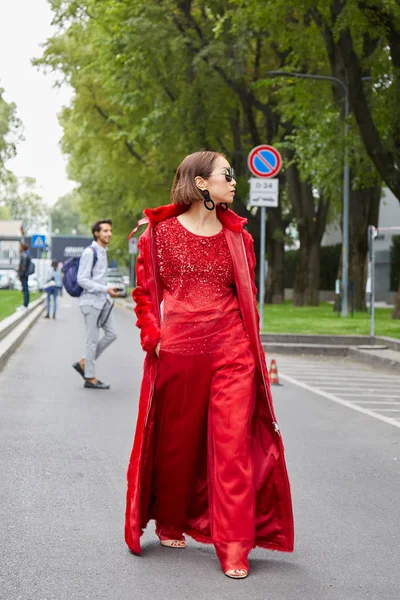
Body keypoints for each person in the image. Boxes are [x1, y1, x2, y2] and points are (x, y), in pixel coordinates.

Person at [125, 151, 294, 579]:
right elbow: (144, 293)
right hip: (178, 351)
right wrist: (154, 338)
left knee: (232, 445)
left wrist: (252, 351)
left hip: (231, 351)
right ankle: (171, 520)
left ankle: (234, 545)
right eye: (227, 176)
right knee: (176, 445)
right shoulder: (157, 234)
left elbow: (246, 298)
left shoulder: (239, 238)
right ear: (201, 184)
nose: (233, 183)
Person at [72, 220, 120, 390]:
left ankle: (84, 362)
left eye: (110, 230)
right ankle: (90, 378)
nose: (109, 234)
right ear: (96, 233)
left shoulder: (102, 251)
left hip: (102, 300)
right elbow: (82, 279)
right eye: (105, 231)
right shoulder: (89, 252)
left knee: (112, 334)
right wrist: (105, 288)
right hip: (90, 302)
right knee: (92, 341)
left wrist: (107, 291)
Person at [16, 242, 31, 311]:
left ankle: (25, 305)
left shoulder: (24, 255)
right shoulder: (27, 254)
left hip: (23, 275)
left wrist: (20, 274)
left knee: (25, 290)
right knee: (26, 290)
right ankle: (25, 304)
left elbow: (23, 266)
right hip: (25, 274)